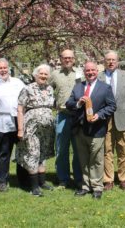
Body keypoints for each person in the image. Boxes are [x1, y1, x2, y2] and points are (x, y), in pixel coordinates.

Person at [66, 61, 116, 199]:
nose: (90, 73)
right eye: (87, 70)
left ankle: (97, 187)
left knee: (96, 159)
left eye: (93, 70)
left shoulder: (105, 88)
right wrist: (78, 103)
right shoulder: (78, 87)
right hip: (80, 129)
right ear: (84, 72)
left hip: (97, 129)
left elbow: (112, 106)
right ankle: (85, 186)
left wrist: (99, 115)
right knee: (83, 159)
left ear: (97, 71)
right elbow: (68, 103)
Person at [98, 50, 125, 191]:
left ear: (118, 61)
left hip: (123, 118)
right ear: (104, 61)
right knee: (106, 150)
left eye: (113, 60)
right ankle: (108, 180)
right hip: (104, 120)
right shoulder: (99, 77)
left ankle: (124, 179)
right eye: (108, 59)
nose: (111, 62)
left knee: (123, 149)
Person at [0, 58, 24, 192]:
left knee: (21, 151)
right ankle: (2, 180)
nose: (3, 70)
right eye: (0, 68)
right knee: (3, 152)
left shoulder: (18, 82)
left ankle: (23, 179)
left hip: (17, 119)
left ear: (8, 68)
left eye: (4, 68)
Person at [17, 64, 55, 197]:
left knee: (43, 152)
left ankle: (42, 181)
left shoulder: (50, 88)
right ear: (35, 75)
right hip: (31, 128)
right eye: (41, 74)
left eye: (46, 74)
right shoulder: (27, 89)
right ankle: (34, 187)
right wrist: (20, 129)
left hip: (47, 129)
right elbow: (20, 109)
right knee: (33, 152)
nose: (43, 76)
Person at [50, 49, 82, 188]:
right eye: (65, 58)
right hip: (62, 115)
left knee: (78, 149)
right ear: (60, 59)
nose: (68, 60)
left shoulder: (80, 74)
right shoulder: (55, 75)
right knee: (61, 149)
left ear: (74, 59)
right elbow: (47, 91)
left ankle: (79, 177)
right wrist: (52, 104)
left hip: (78, 116)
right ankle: (63, 178)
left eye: (70, 58)